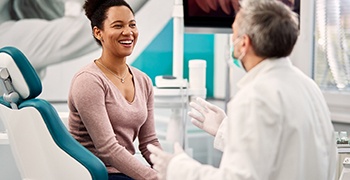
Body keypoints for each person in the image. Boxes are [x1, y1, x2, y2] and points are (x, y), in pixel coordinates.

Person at [147, 0, 337, 180]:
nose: (232, 41)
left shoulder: (254, 97)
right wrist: (224, 130)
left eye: (234, 33)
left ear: (244, 44)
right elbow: (283, 150)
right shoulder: (309, 87)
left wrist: (177, 168)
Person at [68, 0, 161, 179]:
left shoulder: (143, 81)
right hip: (94, 174)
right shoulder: (88, 81)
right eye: (118, 26)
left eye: (132, 24)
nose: (128, 32)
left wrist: (172, 169)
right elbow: (108, 149)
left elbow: (149, 142)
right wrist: (154, 177)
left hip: (123, 172)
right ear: (98, 32)